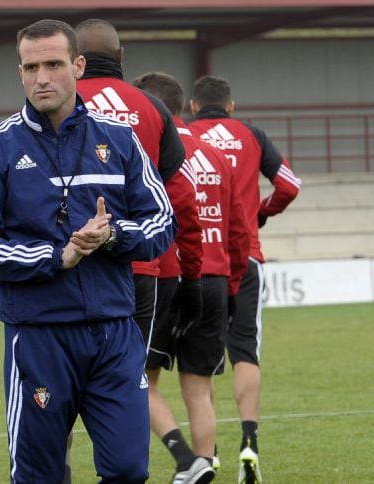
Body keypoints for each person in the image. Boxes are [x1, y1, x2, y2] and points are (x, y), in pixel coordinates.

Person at [0, 19, 176, 483]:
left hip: (115, 333)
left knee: (130, 470)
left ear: (77, 66)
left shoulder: (119, 141)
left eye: (53, 64)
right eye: (31, 67)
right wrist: (57, 256)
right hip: (38, 337)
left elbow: (161, 221)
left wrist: (112, 237)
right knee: (39, 475)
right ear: (19, 73)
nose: (42, 78)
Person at [74, 18, 204, 483]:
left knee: (57, 383)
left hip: (70, 269)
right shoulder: (152, 108)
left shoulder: (58, 104)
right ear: (122, 56)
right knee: (129, 380)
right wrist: (191, 275)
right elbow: (181, 197)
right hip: (142, 268)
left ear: (75, 60)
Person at [133, 71, 251, 484]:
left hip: (169, 277)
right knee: (199, 387)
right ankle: (205, 464)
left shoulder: (146, 151)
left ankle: (185, 457)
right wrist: (234, 286)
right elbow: (239, 227)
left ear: (152, 108)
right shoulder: (215, 154)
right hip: (215, 279)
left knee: (140, 379)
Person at [188, 75, 302, 484]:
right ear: (231, 106)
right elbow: (290, 184)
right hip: (247, 255)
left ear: (193, 106)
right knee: (245, 353)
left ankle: (209, 452)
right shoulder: (251, 135)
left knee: (201, 363)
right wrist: (263, 212)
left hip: (198, 260)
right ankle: (249, 443)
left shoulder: (182, 136)